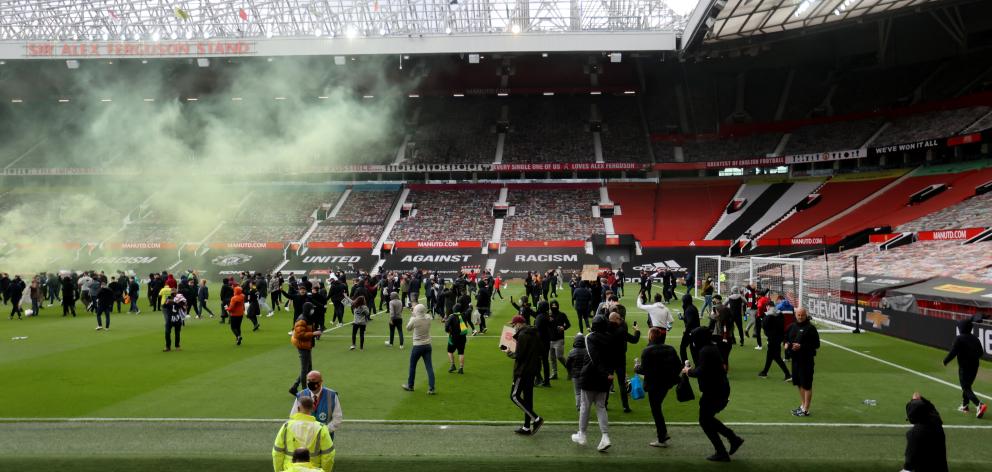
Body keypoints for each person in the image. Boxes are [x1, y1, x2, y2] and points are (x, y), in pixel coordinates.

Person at [683, 327, 744, 462]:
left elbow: (702, 371)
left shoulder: (705, 351)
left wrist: (688, 371)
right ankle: (732, 439)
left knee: (705, 420)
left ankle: (723, 449)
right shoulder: (710, 348)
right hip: (718, 389)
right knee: (707, 419)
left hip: (715, 391)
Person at [635, 327, 682, 448]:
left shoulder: (647, 351)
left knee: (656, 409)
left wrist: (637, 367)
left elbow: (644, 370)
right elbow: (678, 366)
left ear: (651, 337)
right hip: (666, 384)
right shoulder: (670, 349)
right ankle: (662, 434)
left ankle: (662, 436)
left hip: (654, 385)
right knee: (657, 408)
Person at [572, 315, 613, 452]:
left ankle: (582, 434)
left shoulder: (589, 337)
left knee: (585, 406)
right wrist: (608, 373)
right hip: (604, 377)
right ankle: (605, 436)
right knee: (601, 407)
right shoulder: (610, 338)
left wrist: (604, 372)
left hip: (590, 375)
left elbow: (594, 357)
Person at [272, 395, 335, 472]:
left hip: (289, 469)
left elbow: (277, 453)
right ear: (313, 408)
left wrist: (279, 470)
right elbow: (328, 455)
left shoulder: (287, 426)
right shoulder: (321, 428)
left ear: (298, 408)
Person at [943, 316, 987, 418]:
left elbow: (953, 352)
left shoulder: (959, 339)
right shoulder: (975, 338)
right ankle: (965, 406)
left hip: (964, 367)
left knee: (965, 387)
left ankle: (979, 404)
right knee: (967, 386)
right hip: (975, 366)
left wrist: (945, 361)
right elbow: (981, 353)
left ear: (961, 328)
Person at [507, 314, 544, 435]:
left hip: (522, 371)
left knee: (514, 396)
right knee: (528, 398)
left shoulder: (522, 335)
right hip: (532, 370)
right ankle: (527, 427)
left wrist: (509, 353)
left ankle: (536, 419)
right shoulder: (535, 333)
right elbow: (541, 350)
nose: (513, 327)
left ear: (519, 324)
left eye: (514, 324)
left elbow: (519, 355)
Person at [785, 307, 819, 417]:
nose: (800, 317)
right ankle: (803, 405)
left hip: (807, 360)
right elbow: (786, 339)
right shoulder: (791, 326)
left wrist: (802, 346)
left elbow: (816, 344)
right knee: (799, 383)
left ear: (806, 315)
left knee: (806, 385)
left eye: (802, 315)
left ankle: (806, 410)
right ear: (795, 315)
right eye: (798, 315)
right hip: (795, 360)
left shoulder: (811, 328)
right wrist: (787, 344)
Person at [903, 392, 948, 472]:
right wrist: (920, 399)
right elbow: (931, 408)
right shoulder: (936, 422)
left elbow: (908, 467)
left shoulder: (914, 434)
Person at [291, 371, 343, 439]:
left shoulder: (332, 395)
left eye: (313, 380)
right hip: (305, 438)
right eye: (308, 381)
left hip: (325, 438)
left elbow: (337, 418)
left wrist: (323, 431)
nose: (310, 383)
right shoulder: (301, 395)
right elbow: (293, 416)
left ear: (321, 381)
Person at [608, 311, 640, 412]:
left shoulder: (605, 329)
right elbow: (634, 340)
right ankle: (625, 406)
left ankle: (604, 404)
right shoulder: (621, 330)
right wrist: (637, 330)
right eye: (619, 319)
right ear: (616, 319)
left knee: (607, 383)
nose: (621, 320)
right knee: (622, 383)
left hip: (608, 360)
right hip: (620, 360)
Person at [402, 304, 436, 394]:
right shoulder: (428, 318)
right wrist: (415, 313)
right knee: (429, 367)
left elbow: (408, 328)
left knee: (412, 366)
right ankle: (431, 388)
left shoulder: (414, 320)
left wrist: (412, 317)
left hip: (418, 345)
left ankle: (410, 385)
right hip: (427, 345)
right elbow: (424, 314)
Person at [290, 303, 322, 396]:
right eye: (312, 309)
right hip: (302, 346)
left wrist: (315, 332)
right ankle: (304, 391)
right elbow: (299, 335)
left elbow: (308, 331)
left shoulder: (308, 318)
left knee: (308, 369)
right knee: (305, 369)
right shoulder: (302, 320)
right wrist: (313, 334)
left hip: (307, 345)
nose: (313, 311)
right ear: (308, 310)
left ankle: (294, 387)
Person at [758, 302, 791, 381]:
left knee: (776, 357)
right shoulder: (780, 314)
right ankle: (764, 372)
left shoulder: (768, 315)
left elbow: (763, 325)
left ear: (768, 306)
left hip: (772, 338)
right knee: (770, 355)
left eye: (767, 307)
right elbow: (783, 325)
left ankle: (788, 374)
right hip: (779, 337)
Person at [547, 300, 571, 380]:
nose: (554, 307)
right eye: (552, 305)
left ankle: (570, 370)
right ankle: (554, 373)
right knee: (552, 358)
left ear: (557, 305)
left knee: (559, 356)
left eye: (555, 305)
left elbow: (568, 324)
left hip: (559, 339)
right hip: (550, 339)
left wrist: (563, 328)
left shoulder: (562, 315)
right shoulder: (548, 315)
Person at [564, 332, 588, 411]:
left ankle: (578, 406)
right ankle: (584, 406)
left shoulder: (572, 352)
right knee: (584, 391)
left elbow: (567, 364)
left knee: (577, 391)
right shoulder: (587, 352)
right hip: (585, 374)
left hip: (575, 375)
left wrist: (570, 372)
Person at [445, 304, 469, 374]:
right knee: (461, 352)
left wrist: (448, 331)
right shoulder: (463, 315)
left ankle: (452, 365)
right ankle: (461, 368)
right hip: (462, 337)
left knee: (450, 351)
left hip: (453, 337)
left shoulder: (452, 317)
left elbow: (446, 325)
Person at [680, 293, 700, 365]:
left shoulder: (688, 309)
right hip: (695, 331)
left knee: (683, 347)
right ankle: (697, 364)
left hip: (691, 332)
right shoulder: (692, 307)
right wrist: (683, 318)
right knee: (693, 349)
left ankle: (685, 364)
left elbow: (690, 322)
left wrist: (686, 331)